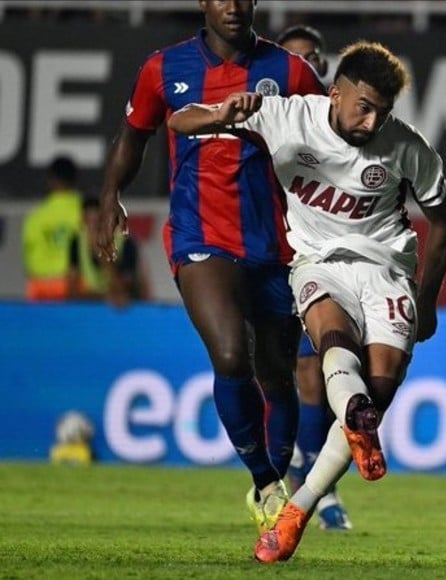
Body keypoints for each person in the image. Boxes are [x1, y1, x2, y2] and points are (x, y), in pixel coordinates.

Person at [168, 40, 446, 564]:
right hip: (317, 263)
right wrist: (226, 111)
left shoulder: (407, 146)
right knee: (331, 342)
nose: (371, 123)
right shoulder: (284, 115)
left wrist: (428, 299)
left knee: (377, 391)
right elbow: (181, 120)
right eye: (363, 107)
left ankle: (304, 497)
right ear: (336, 92)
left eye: (383, 112)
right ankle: (308, 498)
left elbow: (444, 218)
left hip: (388, 269)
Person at [95, 0, 325, 536]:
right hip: (201, 235)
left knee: (277, 373)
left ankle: (276, 474)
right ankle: (266, 482)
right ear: (203, 2)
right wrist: (110, 196)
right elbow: (135, 133)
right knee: (229, 353)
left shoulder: (290, 71)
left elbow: (333, 136)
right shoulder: (163, 68)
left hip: (278, 244)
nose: (232, 6)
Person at [276, 23, 352, 532]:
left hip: (322, 263)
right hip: (270, 255)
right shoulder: (272, 120)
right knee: (283, 376)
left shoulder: (347, 123)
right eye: (294, 57)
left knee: (319, 374)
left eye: (312, 57)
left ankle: (319, 489)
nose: (304, 64)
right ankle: (300, 466)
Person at [22, 156, 84, 302]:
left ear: (50, 180)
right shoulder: (86, 213)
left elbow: (28, 257)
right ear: (75, 180)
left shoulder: (35, 217)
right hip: (74, 287)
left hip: (39, 288)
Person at [69, 198, 150, 308]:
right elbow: (73, 291)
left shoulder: (125, 242)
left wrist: (103, 253)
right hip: (91, 306)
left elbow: (122, 292)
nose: (93, 230)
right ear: (83, 221)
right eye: (89, 223)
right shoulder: (77, 242)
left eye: (97, 224)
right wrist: (103, 297)